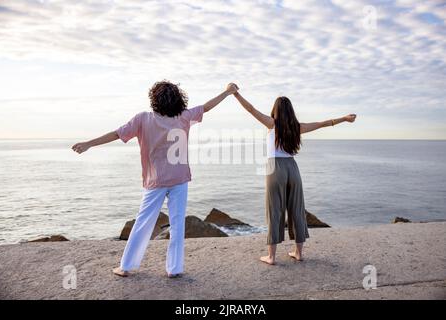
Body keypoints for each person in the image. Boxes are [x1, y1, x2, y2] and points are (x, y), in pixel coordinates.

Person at [72, 81, 239, 277]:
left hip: (156, 180)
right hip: (179, 178)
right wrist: (227, 92)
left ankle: (126, 267)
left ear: (154, 100)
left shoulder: (144, 119)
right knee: (177, 224)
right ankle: (174, 269)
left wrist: (89, 144)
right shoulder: (184, 117)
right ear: (178, 99)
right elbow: (207, 107)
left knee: (143, 222)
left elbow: (117, 134)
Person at [233, 92, 356, 265]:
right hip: (293, 168)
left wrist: (236, 94)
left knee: (275, 210)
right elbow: (323, 124)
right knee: (297, 209)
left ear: (275, 110)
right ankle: (298, 253)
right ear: (291, 111)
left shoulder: (271, 124)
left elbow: (251, 109)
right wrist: (344, 118)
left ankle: (271, 257)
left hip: (275, 168)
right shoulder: (298, 127)